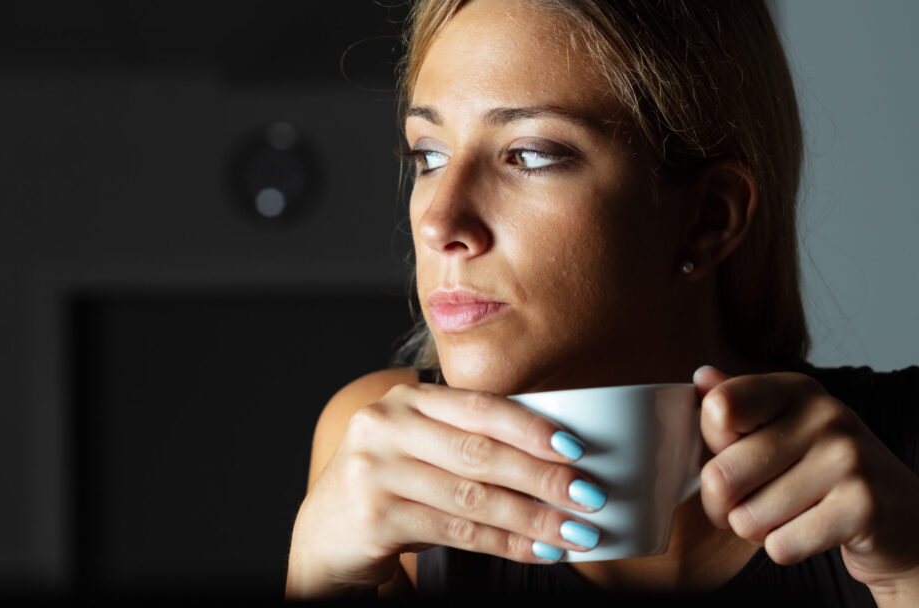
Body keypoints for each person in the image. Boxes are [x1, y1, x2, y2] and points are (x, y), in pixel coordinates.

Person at [284, 0, 919, 604]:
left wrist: (908, 574)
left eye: (530, 154)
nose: (440, 222)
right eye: (428, 155)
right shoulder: (373, 451)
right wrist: (317, 580)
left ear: (708, 218)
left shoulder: (900, 468)